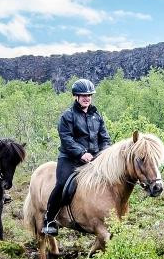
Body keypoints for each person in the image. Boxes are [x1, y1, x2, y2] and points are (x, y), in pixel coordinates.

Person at [41, 78, 112, 236]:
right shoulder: (68, 115)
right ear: (76, 97)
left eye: (89, 95)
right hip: (70, 158)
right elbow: (66, 139)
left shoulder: (96, 116)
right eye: (83, 95)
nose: (87, 98)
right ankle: (49, 219)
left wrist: (104, 154)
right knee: (61, 184)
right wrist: (81, 153)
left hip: (93, 160)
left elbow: (105, 138)